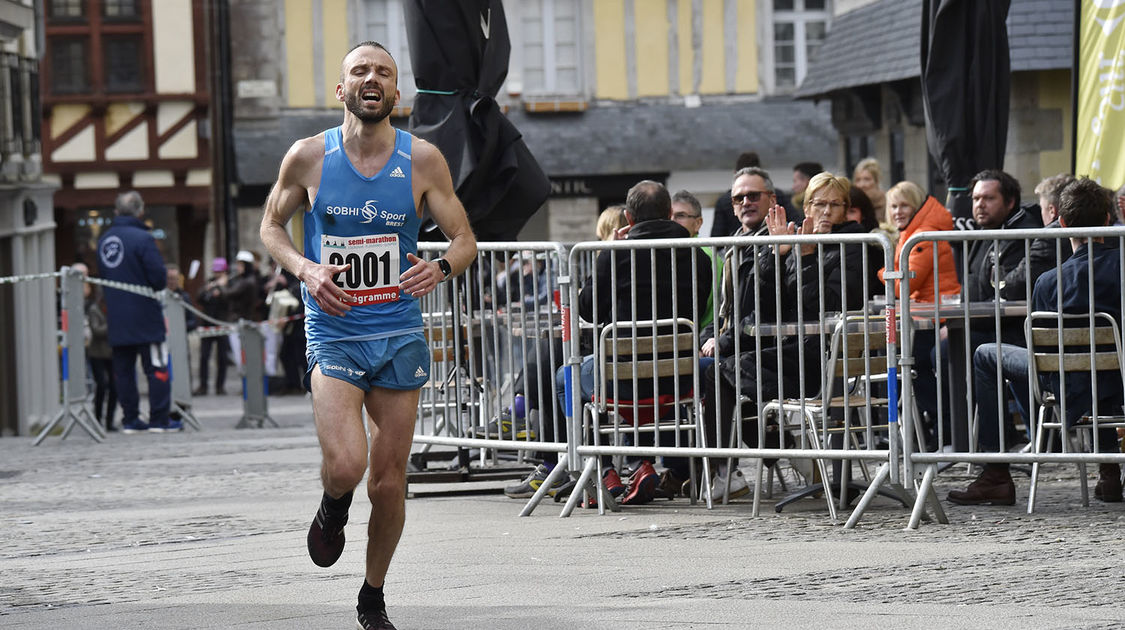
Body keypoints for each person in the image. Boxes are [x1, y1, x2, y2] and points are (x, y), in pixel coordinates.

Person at [258, 41, 476, 630]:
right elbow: (272, 225)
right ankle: (333, 505)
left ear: (396, 92)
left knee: (388, 481)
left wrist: (442, 266)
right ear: (342, 89)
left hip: (400, 331)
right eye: (360, 71)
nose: (372, 78)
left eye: (383, 71)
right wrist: (305, 268)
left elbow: (464, 239)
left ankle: (373, 594)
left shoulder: (424, 159)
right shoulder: (307, 158)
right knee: (349, 466)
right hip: (335, 330)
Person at [948, 177, 1123, 505]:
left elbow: (1045, 352)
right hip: (1119, 377)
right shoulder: (1122, 268)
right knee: (1098, 363)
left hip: (1066, 381)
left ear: (1061, 222)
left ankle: (996, 472)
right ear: (1108, 220)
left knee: (987, 353)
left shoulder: (1048, 281)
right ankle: (1109, 472)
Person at [702, 172, 875, 500]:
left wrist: (807, 255)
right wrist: (777, 255)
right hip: (796, 349)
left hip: (825, 359)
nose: (825, 211)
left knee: (722, 372)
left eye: (833, 204)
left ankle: (739, 464)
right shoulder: (798, 241)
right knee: (721, 372)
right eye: (817, 203)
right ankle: (748, 460)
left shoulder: (855, 243)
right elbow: (769, 304)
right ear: (806, 206)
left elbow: (829, 302)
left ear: (847, 209)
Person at [877, 181, 960, 446]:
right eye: (893, 206)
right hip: (928, 313)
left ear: (916, 206)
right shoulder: (915, 231)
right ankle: (933, 430)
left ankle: (942, 428)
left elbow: (904, 284)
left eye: (904, 205)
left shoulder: (922, 235)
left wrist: (882, 272)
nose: (898, 211)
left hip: (935, 316)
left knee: (915, 369)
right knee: (912, 368)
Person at [96, 190, 175, 433]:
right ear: (141, 211)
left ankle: (130, 419)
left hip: (117, 315)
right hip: (145, 315)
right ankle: (159, 419)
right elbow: (158, 278)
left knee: (123, 372)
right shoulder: (143, 238)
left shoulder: (104, 240)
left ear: (117, 211)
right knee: (156, 367)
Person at [76, 263, 117, 432]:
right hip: (97, 353)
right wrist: (113, 326)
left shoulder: (114, 310)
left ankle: (110, 420)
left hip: (112, 353)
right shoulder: (94, 309)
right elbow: (97, 330)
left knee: (115, 387)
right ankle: (98, 418)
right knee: (101, 385)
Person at [195, 258, 232, 396]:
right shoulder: (210, 282)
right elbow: (199, 298)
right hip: (207, 324)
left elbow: (229, 298)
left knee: (222, 358)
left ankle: (220, 386)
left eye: (220, 272)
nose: (217, 274)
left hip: (222, 324)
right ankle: (203, 385)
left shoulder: (229, 283)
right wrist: (208, 289)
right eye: (216, 271)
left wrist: (222, 288)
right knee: (204, 356)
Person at [852, 157, 886, 224]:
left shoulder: (888, 204)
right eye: (858, 180)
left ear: (877, 181)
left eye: (867, 179)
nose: (862, 185)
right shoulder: (852, 205)